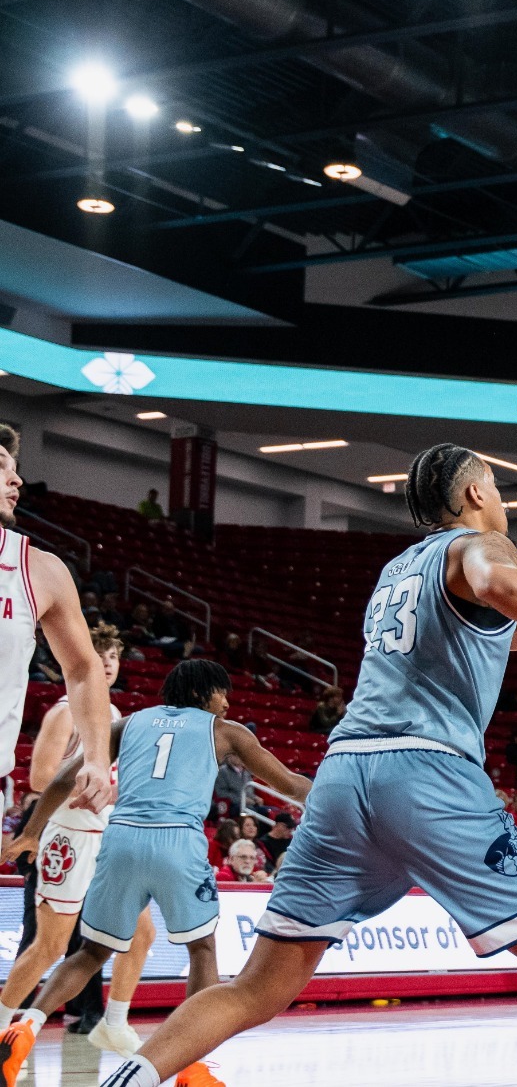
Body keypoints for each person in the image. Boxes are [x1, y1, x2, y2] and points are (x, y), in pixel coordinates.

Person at [86, 448, 517, 1087]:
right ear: (471, 497)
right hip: (426, 772)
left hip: (344, 776)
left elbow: (509, 629)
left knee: (258, 988)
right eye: (495, 487)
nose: (502, 503)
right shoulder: (480, 549)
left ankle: (125, 1080)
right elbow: (499, 587)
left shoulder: (399, 569)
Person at [0, 660, 313, 1087]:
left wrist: (31, 833)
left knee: (90, 954)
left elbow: (63, 779)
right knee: (202, 951)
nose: (228, 703)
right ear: (205, 694)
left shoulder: (127, 724)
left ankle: (25, 1027)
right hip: (177, 843)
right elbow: (293, 785)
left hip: (121, 839)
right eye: (223, 693)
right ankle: (192, 1068)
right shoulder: (225, 730)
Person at [0, 622, 150, 1056]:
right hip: (68, 834)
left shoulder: (116, 715)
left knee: (141, 933)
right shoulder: (65, 711)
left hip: (107, 837)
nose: (106, 663)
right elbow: (41, 776)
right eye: (98, 654)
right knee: (49, 945)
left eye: (113, 657)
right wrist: (99, 788)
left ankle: (113, 1022)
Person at [0, 424, 116, 844]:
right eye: (1, 467)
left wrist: (97, 759)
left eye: (16, 469)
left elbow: (85, 669)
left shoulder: (38, 569)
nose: (16, 479)